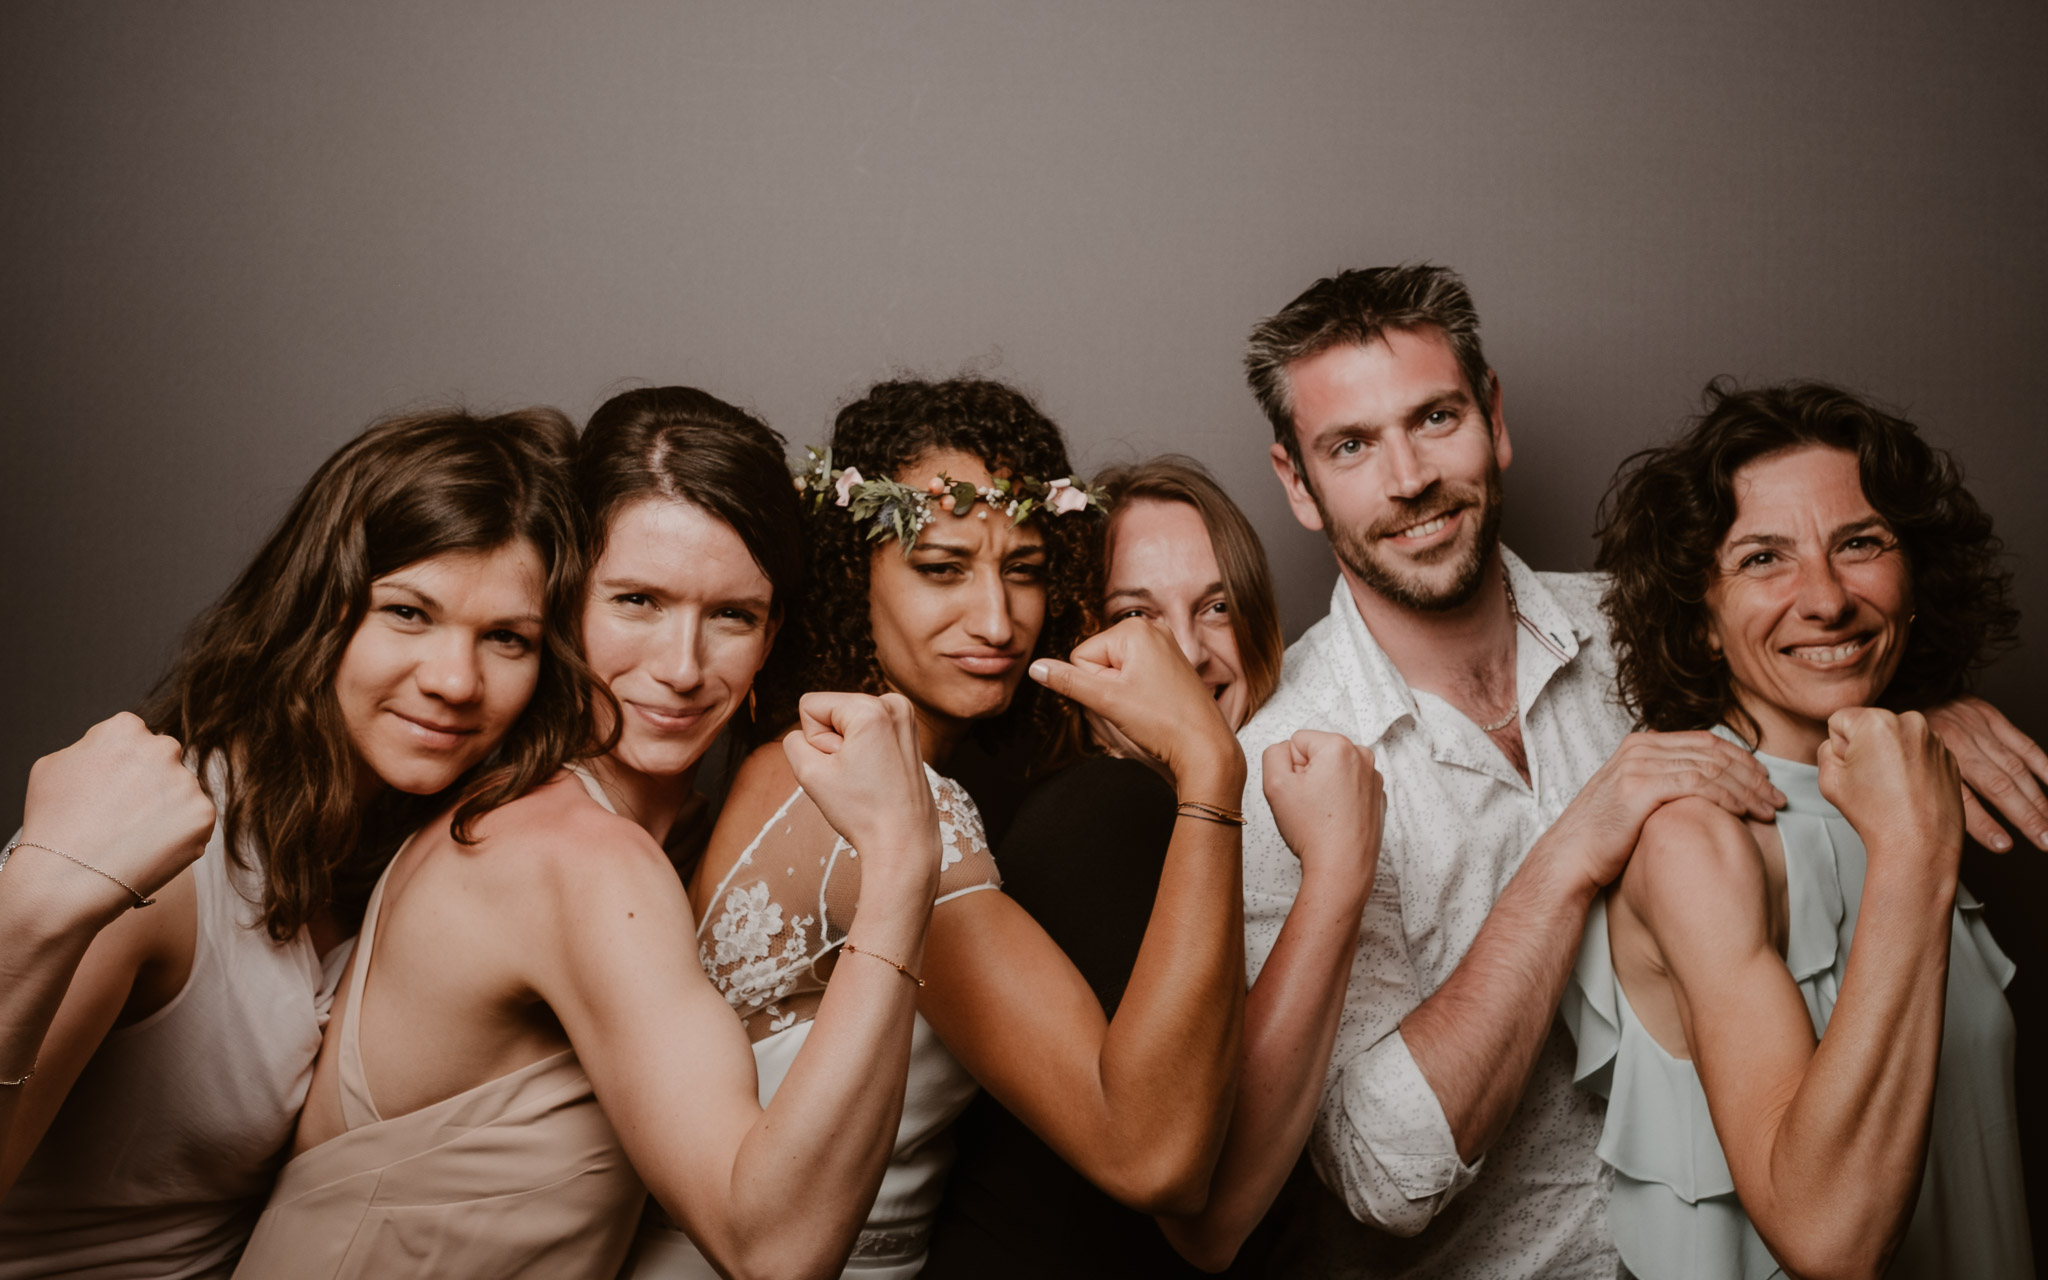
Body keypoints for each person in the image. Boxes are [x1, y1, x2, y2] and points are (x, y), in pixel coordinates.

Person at [1230, 264, 2048, 1279]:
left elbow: (1807, 629)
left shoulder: (1638, 626)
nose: (1407, 478)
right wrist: (1574, 841)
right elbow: (1379, 1175)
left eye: (1434, 417)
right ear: (1295, 483)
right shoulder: (1279, 768)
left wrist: (1918, 706)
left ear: (1493, 416)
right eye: (1349, 445)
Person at [233, 386, 951, 1279]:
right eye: (638, 601)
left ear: (771, 638)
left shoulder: (623, 825)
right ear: (565, 600)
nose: (682, 668)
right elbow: (778, 1250)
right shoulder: (569, 855)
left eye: (732, 615)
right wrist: (903, 866)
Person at [623, 378, 1252, 1279]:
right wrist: (1209, 770)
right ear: (854, 570)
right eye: (941, 567)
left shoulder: (813, 757)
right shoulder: (868, 801)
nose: (997, 621)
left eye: (1024, 570)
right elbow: (1153, 1155)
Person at [0, 408, 590, 1279]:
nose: (456, 681)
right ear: (320, 606)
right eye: (408, 613)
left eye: (507, 638)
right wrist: (43, 898)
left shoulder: (424, 853)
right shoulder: (166, 863)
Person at [1561, 381, 2031, 1278]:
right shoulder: (1694, 842)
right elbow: (1828, 1239)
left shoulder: (1910, 782)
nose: (1825, 599)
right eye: (1763, 559)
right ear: (1701, 618)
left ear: (1913, 575)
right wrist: (1914, 856)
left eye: (1859, 544)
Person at [924, 456, 1384, 1277]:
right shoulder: (1102, 810)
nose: (1187, 654)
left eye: (1215, 606)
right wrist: (1339, 876)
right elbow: (1206, 1221)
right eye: (1135, 615)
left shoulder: (1180, 812)